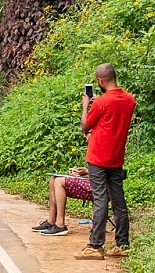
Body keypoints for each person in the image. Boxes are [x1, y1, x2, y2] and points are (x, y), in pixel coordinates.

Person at [74, 63, 136, 260]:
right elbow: (113, 115)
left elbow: (85, 126)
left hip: (98, 158)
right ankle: (122, 244)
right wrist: (100, 102)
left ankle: (95, 245)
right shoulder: (129, 100)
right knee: (118, 200)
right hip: (116, 158)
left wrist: (86, 105)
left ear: (100, 81)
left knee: (100, 200)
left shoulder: (101, 103)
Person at [32, 167, 92, 236]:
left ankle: (60, 224)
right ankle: (51, 221)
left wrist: (87, 172)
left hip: (99, 186)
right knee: (53, 179)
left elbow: (104, 173)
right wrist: (81, 173)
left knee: (59, 181)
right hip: (94, 180)